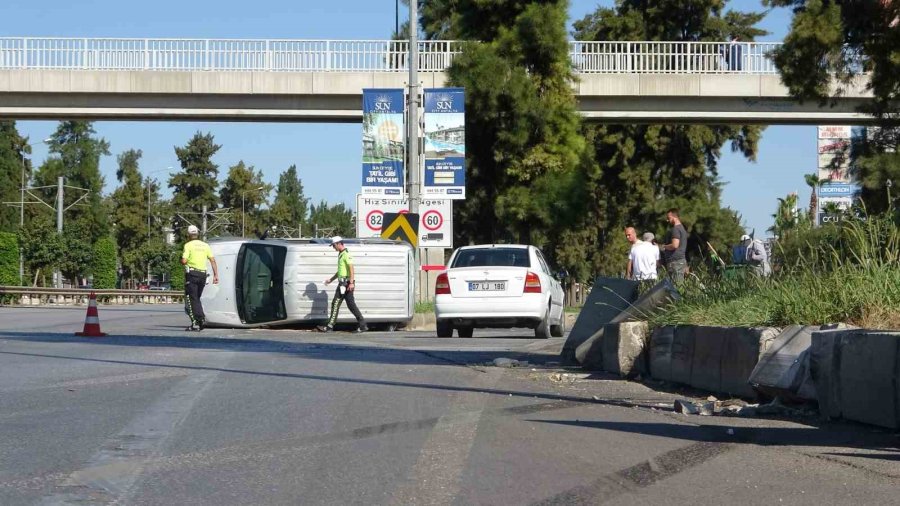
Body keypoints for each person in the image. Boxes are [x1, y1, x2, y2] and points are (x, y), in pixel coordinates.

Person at [318, 236, 368, 333]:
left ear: (339, 244)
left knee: (348, 304)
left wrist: (351, 283)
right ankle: (330, 326)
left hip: (347, 283)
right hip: (342, 283)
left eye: (334, 245)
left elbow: (351, 268)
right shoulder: (340, 254)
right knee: (338, 304)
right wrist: (331, 280)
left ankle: (362, 325)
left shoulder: (346, 254)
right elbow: (340, 271)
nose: (333, 248)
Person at [181, 225, 218, 331]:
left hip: (192, 274)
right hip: (202, 275)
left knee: (191, 298)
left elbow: (184, 260)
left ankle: (198, 321)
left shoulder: (188, 245)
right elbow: (212, 260)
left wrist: (183, 260)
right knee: (197, 298)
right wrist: (216, 275)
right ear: (197, 234)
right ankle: (199, 320)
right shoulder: (205, 246)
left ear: (188, 235)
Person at [660, 208, 689, 283]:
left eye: (669, 218)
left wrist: (664, 246)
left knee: (676, 288)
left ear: (675, 217)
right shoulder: (682, 229)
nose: (667, 220)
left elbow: (675, 245)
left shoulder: (675, 229)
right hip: (680, 262)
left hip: (675, 263)